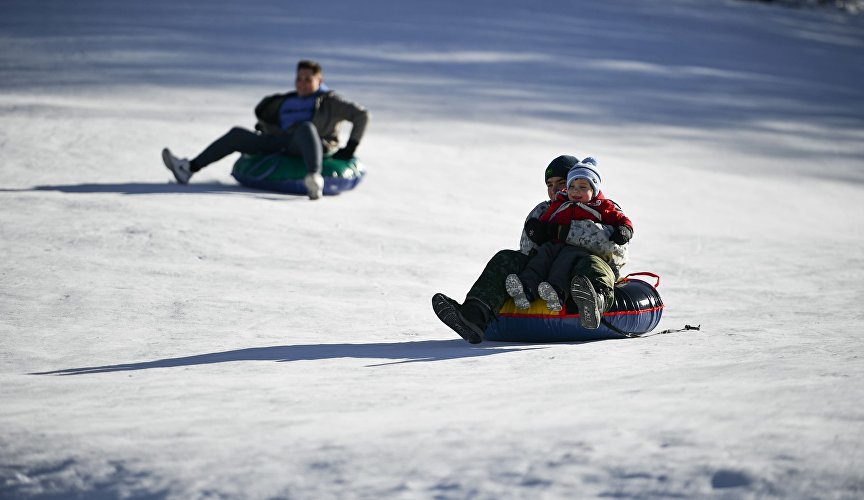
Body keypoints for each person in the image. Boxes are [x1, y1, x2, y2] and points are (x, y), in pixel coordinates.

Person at [431, 154, 631, 344]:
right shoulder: (543, 210)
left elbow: (617, 252)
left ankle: (594, 304)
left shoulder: (603, 207)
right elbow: (527, 250)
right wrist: (538, 235)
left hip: (581, 269)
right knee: (506, 258)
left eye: (561, 183)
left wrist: (565, 232)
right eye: (549, 185)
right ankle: (473, 317)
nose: (554, 190)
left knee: (592, 264)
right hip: (546, 269)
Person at [161, 59, 370, 200]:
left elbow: (362, 115)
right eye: (299, 79)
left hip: (310, 144)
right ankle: (188, 168)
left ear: (319, 81)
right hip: (281, 143)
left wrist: (350, 147)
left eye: (308, 80)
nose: (302, 84)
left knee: (306, 127)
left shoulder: (330, 102)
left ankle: (313, 177)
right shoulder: (287, 100)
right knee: (237, 134)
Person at [504, 161, 633, 329]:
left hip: (581, 254)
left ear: (593, 189)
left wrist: (624, 229)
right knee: (542, 257)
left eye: (582, 187)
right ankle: (525, 289)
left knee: (566, 261)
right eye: (571, 186)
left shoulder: (602, 206)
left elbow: (620, 223)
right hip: (555, 247)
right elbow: (542, 225)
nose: (575, 191)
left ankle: (558, 293)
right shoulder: (558, 204)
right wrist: (536, 229)